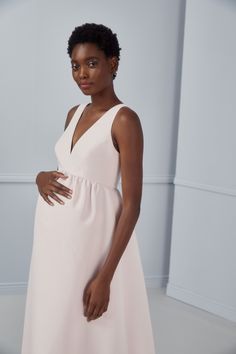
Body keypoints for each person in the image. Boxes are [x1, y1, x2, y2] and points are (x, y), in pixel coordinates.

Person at [21, 22, 156, 354]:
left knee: (88, 324)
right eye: (75, 65)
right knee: (54, 318)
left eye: (92, 63)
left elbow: (133, 205)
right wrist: (40, 176)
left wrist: (105, 277)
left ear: (113, 63)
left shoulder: (125, 120)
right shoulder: (73, 113)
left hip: (92, 242)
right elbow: (70, 169)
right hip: (53, 243)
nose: (82, 73)